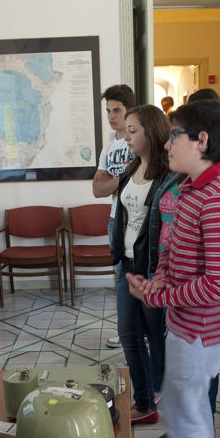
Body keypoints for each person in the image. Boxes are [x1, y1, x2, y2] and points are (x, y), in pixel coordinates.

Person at [131, 100, 220, 438]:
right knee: (186, 409)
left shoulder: (217, 199)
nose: (167, 143)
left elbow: (218, 284)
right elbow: (175, 248)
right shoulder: (192, 188)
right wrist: (160, 278)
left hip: (203, 328)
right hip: (188, 321)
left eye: (175, 134)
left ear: (202, 141)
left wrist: (158, 298)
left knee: (183, 415)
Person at [110, 104, 170, 424]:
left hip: (151, 266)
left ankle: (160, 394)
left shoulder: (168, 177)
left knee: (154, 332)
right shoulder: (129, 171)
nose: (126, 136)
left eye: (133, 130)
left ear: (152, 132)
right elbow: (123, 218)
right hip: (127, 264)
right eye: (127, 130)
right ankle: (145, 402)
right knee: (128, 334)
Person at [92, 84, 136, 349]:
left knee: (142, 276)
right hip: (115, 219)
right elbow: (97, 190)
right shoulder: (108, 148)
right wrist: (125, 179)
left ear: (129, 111)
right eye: (108, 110)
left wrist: (114, 182)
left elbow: (144, 182)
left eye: (116, 110)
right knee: (121, 277)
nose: (111, 116)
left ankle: (144, 330)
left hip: (139, 218)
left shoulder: (137, 141)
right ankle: (126, 332)